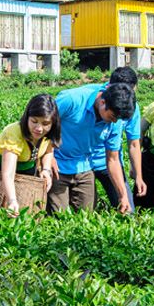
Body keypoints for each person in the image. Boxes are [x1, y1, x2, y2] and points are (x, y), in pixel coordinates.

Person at [49, 83, 136, 214]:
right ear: (102, 102)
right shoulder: (71, 100)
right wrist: (48, 155)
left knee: (87, 215)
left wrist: (123, 195)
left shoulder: (115, 122)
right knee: (58, 215)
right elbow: (42, 125)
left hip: (84, 167)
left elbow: (113, 160)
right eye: (112, 117)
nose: (114, 122)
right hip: (57, 165)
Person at [0, 94, 61, 216]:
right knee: (2, 206)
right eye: (34, 121)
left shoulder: (48, 133)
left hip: (28, 164)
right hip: (1, 168)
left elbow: (48, 151)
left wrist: (46, 170)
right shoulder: (14, 133)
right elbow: (7, 173)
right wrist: (12, 200)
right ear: (27, 117)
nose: (39, 128)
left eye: (45, 123)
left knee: (27, 204)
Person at [90, 67, 146, 212]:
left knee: (127, 211)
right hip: (83, 163)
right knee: (85, 211)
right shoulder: (95, 97)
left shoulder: (132, 107)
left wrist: (139, 176)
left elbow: (133, 143)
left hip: (111, 162)